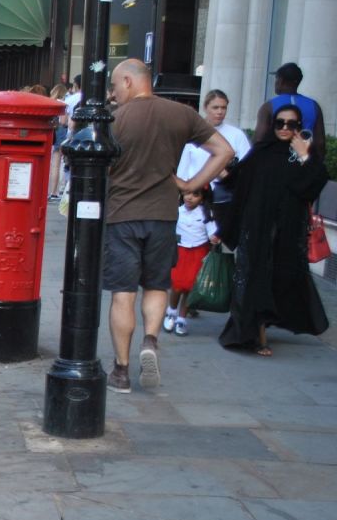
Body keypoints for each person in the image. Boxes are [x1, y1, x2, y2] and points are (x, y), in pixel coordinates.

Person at [104, 59, 234, 394]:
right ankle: (150, 340)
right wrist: (191, 185)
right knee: (157, 286)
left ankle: (120, 370)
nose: (114, 94)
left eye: (116, 87)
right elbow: (224, 151)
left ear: (130, 81)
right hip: (164, 216)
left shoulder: (114, 119)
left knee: (123, 294)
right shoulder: (182, 114)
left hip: (122, 216)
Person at [218, 104, 329, 356]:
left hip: (288, 234)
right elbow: (238, 182)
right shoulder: (262, 153)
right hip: (257, 231)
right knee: (257, 280)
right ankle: (258, 337)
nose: (285, 129)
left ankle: (263, 327)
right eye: (280, 123)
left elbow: (311, 186)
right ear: (273, 125)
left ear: (299, 128)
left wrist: (304, 156)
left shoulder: (301, 155)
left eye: (292, 124)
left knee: (281, 280)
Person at [178, 89, 252, 240]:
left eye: (223, 108)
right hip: (195, 195)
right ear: (206, 107)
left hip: (223, 197)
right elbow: (183, 168)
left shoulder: (236, 135)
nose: (220, 112)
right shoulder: (193, 132)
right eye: (215, 107)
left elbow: (247, 166)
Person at [164, 185, 220, 336]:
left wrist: (214, 237)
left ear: (202, 197)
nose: (189, 197)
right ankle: (171, 312)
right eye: (187, 193)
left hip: (198, 253)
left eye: (195, 194)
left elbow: (212, 232)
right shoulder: (177, 211)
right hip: (180, 251)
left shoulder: (206, 213)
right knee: (176, 285)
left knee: (190, 288)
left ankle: (182, 318)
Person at [254, 62, 326, 162]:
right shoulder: (314, 105)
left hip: (276, 162)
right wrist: (316, 164)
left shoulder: (268, 106)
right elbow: (320, 142)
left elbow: (259, 139)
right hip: (304, 162)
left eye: (276, 79)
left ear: (281, 81)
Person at [48, 83, 69, 201]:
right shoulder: (63, 103)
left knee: (53, 164)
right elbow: (63, 121)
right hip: (61, 132)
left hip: (53, 132)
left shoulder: (51, 102)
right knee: (60, 163)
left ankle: (51, 190)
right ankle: (56, 191)